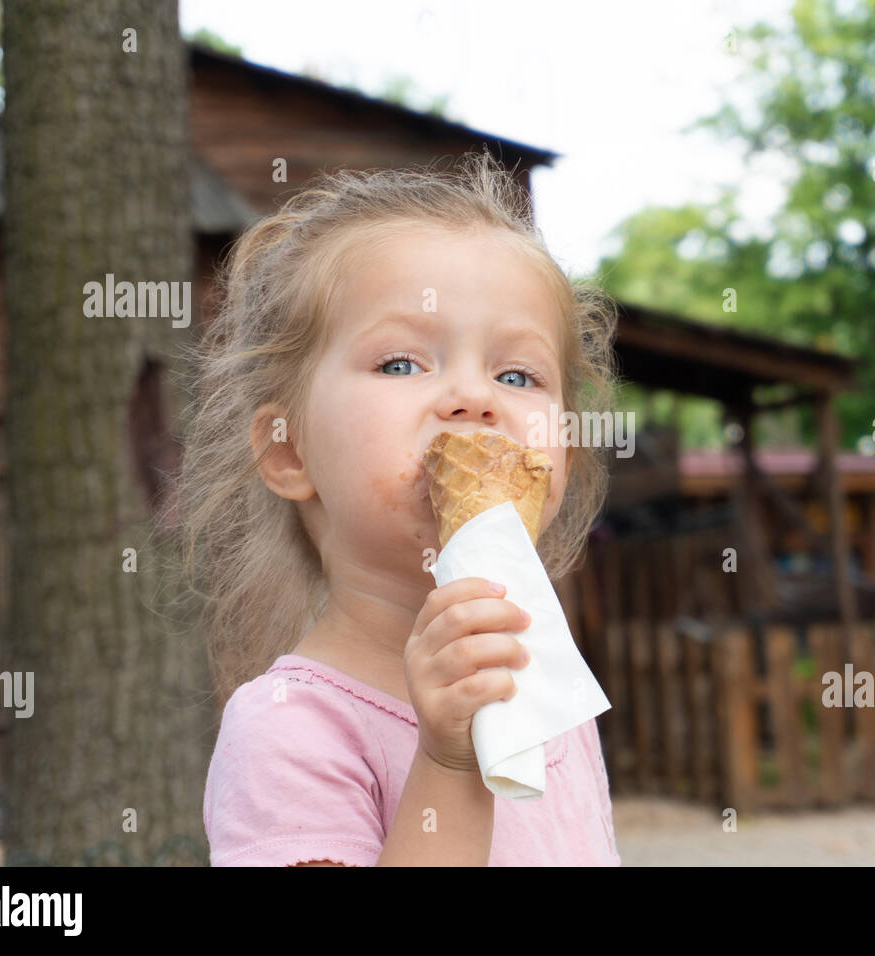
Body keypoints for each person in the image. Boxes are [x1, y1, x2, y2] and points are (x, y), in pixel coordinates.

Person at [181, 152, 621, 866]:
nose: (475, 399)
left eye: (518, 374)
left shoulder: (547, 691)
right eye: (401, 364)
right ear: (289, 451)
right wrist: (449, 765)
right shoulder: (291, 731)